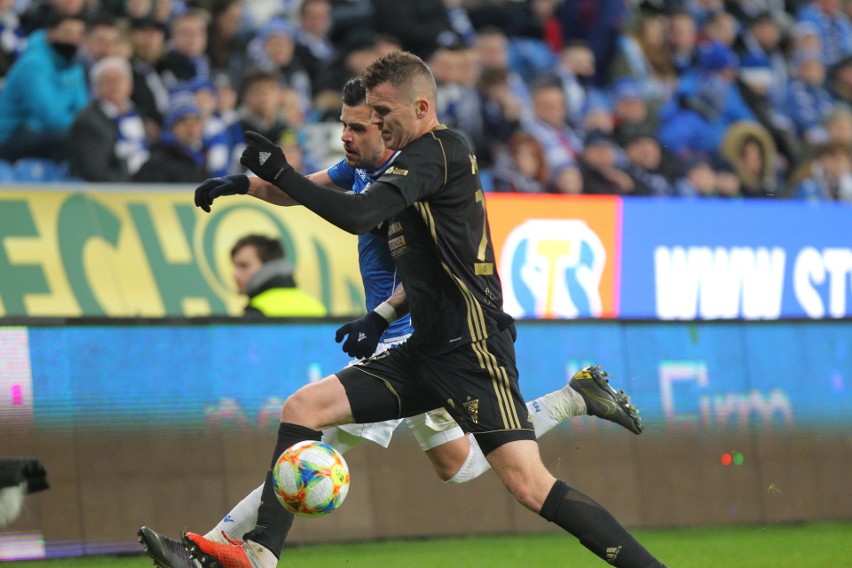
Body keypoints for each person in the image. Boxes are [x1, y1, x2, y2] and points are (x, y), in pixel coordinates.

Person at [138, 74, 648, 568]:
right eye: (353, 122)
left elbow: (358, 214)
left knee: (523, 484)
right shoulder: (368, 170)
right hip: (417, 343)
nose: (354, 134)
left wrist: (380, 316)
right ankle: (256, 554)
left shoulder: (430, 159)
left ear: (411, 113)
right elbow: (312, 198)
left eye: (369, 122)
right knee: (319, 415)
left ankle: (215, 543)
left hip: (467, 347)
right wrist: (246, 185)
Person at [230, 234, 327, 318]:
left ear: (269, 266)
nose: (235, 274)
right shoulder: (317, 307)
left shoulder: (256, 312)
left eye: (243, 266)